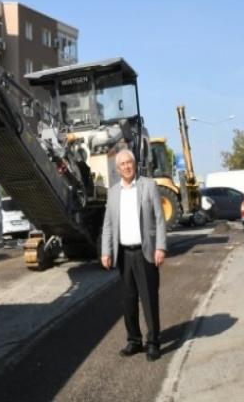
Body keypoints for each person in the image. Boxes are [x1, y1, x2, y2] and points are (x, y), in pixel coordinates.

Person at [100, 149, 167, 361]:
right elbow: (108, 226)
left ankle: (153, 342)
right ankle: (134, 340)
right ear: (118, 169)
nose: (127, 167)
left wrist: (160, 247)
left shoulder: (148, 185)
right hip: (123, 254)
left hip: (145, 252)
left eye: (130, 163)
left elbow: (159, 218)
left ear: (134, 164)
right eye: (122, 164)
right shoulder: (113, 193)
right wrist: (106, 251)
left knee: (149, 299)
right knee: (128, 300)